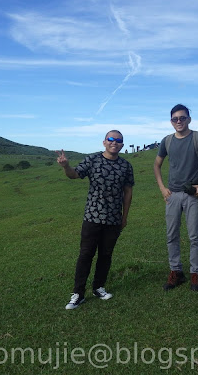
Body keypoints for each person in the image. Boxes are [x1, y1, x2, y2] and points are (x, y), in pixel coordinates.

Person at [57, 130, 134, 310]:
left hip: (114, 219)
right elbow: (74, 175)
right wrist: (66, 166)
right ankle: (78, 294)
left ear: (122, 144)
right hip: (92, 217)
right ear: (104, 142)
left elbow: (128, 192)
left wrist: (124, 217)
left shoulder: (126, 166)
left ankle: (98, 287)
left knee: (106, 255)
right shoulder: (92, 160)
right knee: (86, 255)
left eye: (118, 140)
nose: (114, 142)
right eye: (111, 139)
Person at [154, 104, 198, 291]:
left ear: (189, 119)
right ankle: (176, 272)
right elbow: (156, 165)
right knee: (172, 236)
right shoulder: (167, 141)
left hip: (193, 195)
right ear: (171, 121)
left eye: (182, 118)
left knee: (194, 236)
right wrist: (162, 188)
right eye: (175, 119)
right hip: (172, 195)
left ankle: (196, 274)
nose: (179, 121)